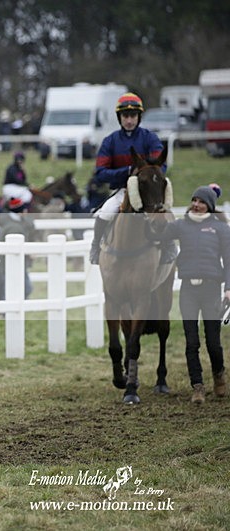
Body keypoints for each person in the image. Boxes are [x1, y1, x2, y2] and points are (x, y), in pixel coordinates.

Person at [148, 184, 230, 403]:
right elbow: (158, 237)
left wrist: (228, 289)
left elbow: (229, 261)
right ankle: (198, 387)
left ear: (210, 206)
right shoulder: (181, 226)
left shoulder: (221, 229)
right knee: (191, 342)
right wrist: (153, 217)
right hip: (188, 291)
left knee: (213, 341)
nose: (196, 205)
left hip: (212, 289)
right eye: (194, 200)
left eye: (202, 202)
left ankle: (219, 375)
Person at [89, 92, 175, 264]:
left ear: (139, 117)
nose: (129, 120)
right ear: (120, 117)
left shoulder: (150, 138)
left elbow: (161, 165)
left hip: (148, 190)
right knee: (104, 213)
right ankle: (96, 246)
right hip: (122, 190)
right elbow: (100, 172)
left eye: (133, 116)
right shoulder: (110, 141)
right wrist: (127, 171)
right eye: (125, 116)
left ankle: (169, 246)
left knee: (164, 213)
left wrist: (146, 175)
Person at [0, 191, 35, 298]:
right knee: (24, 287)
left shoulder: (21, 221)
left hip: (19, 259)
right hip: (10, 259)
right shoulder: (11, 224)